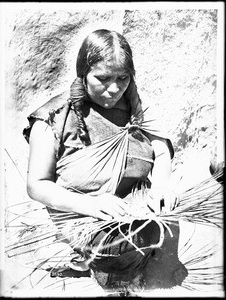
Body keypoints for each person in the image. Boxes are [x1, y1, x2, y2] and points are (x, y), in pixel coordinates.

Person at [23, 29, 184, 293]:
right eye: (103, 78)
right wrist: (92, 205)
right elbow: (37, 185)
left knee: (141, 236)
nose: (114, 89)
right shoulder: (54, 117)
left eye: (122, 78)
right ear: (83, 73)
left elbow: (162, 150)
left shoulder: (135, 106)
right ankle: (88, 259)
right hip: (80, 213)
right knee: (119, 246)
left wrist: (161, 187)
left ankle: (111, 265)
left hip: (132, 209)